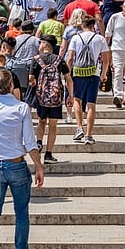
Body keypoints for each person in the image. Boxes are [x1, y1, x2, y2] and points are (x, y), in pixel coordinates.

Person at [0, 69, 45, 249]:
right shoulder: (21, 108)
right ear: (11, 86)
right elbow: (29, 141)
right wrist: (39, 166)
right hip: (16, 163)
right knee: (22, 212)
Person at [29, 35, 74, 163]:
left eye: (40, 43)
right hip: (56, 98)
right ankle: (48, 154)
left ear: (45, 44)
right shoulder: (59, 60)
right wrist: (70, 96)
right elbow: (69, 79)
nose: (39, 45)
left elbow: (30, 79)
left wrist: (35, 82)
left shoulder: (36, 59)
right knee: (53, 126)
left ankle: (38, 142)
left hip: (41, 97)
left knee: (41, 121)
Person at [67, 15, 111, 145]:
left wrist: (68, 75)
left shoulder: (76, 38)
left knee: (77, 100)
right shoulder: (99, 39)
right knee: (91, 104)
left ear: (82, 25)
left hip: (78, 73)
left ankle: (79, 127)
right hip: (94, 73)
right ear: (93, 26)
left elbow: (70, 58)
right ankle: (88, 134)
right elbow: (105, 59)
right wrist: (103, 74)